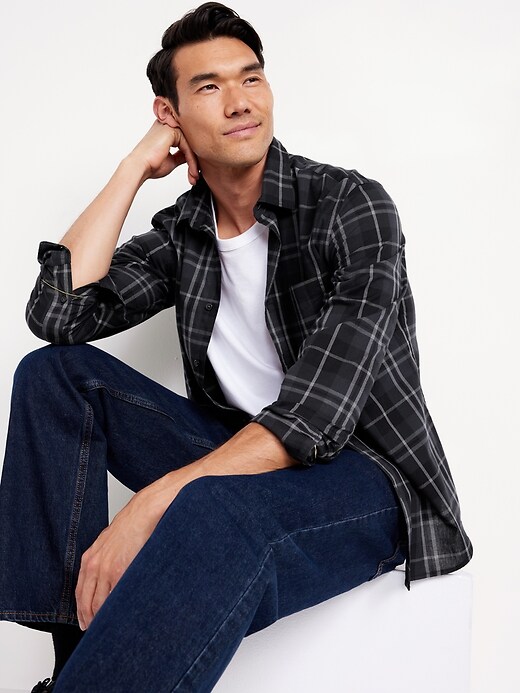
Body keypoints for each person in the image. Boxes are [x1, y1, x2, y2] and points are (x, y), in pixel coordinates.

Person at [0, 3, 472, 691]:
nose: (240, 101)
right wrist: (134, 167)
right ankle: (72, 664)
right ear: (170, 115)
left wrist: (152, 501)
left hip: (368, 477)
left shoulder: (350, 205)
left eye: (251, 78)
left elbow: (316, 417)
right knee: (54, 376)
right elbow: (57, 313)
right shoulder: (186, 232)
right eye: (209, 86)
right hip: (246, 455)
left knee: (208, 508)